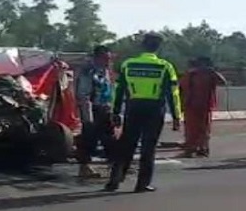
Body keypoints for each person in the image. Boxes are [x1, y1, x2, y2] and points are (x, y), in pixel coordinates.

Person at [105, 33, 181, 192]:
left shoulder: (128, 65)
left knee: (126, 145)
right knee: (148, 148)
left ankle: (114, 180)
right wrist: (176, 116)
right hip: (154, 109)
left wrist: (116, 112)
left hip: (133, 108)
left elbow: (118, 91)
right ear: (158, 47)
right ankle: (142, 184)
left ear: (142, 45)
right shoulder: (165, 66)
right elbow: (172, 94)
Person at [74, 45, 117, 178]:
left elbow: (109, 89)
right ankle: (84, 167)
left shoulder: (105, 70)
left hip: (104, 107)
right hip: (93, 108)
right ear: (99, 57)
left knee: (110, 138)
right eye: (106, 58)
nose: (109, 61)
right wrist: (87, 116)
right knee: (89, 138)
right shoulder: (89, 71)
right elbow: (83, 93)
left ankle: (114, 166)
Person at [179, 56, 227, 157]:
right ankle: (195, 148)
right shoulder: (193, 74)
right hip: (194, 105)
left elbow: (223, 82)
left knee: (199, 128)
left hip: (200, 105)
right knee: (197, 128)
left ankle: (199, 148)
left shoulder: (208, 75)